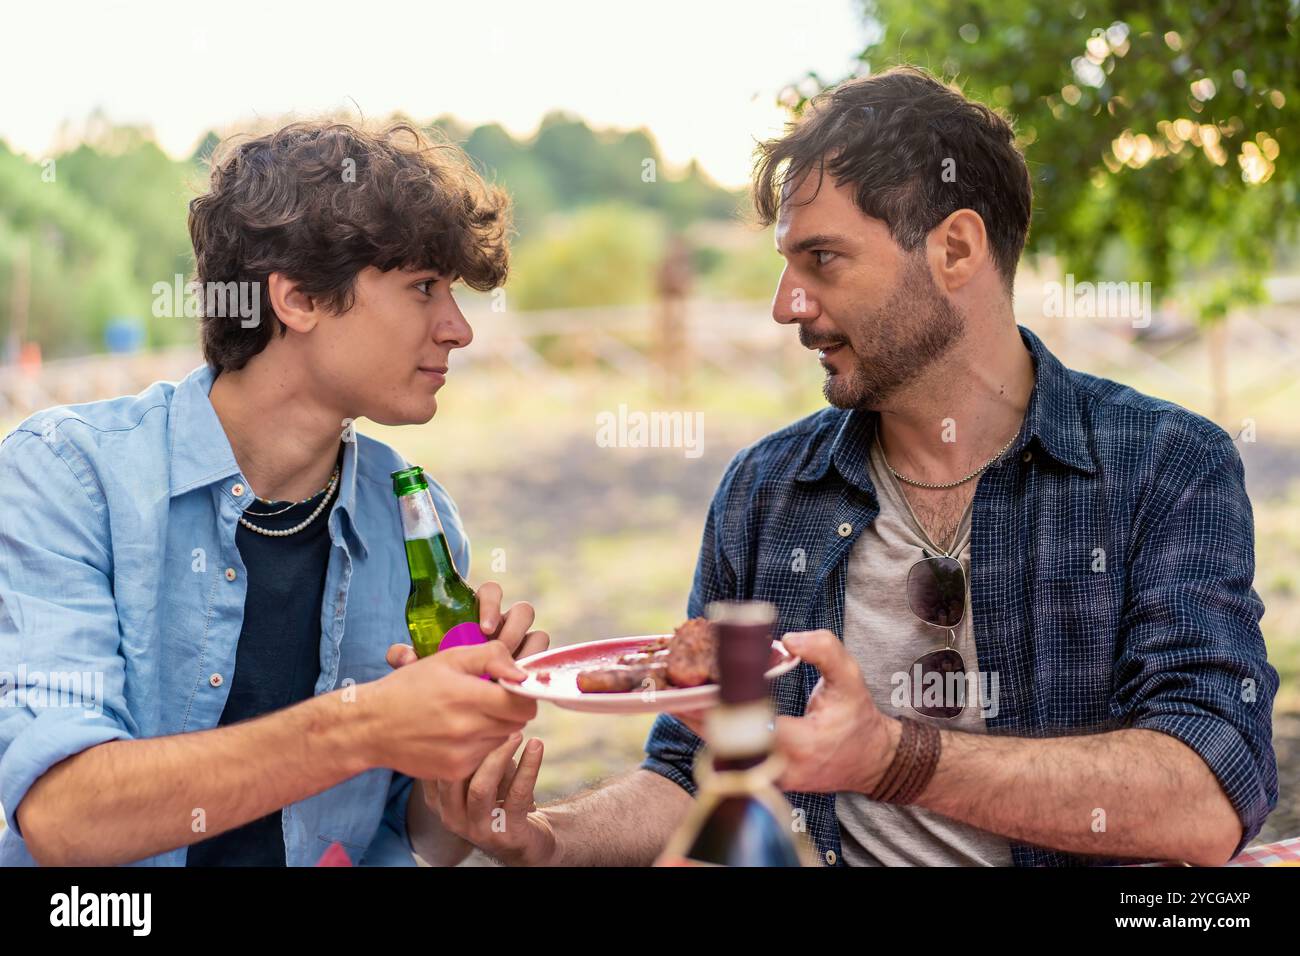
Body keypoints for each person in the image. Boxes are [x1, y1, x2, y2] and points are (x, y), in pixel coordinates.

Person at [438, 66, 1278, 867]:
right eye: (783, 264)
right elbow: (691, 770)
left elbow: (1206, 794)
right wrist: (543, 839)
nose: (785, 305)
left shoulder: (1165, 466)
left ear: (955, 250)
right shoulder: (767, 491)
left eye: (822, 260)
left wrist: (890, 758)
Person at [0, 121, 543, 866]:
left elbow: (412, 838)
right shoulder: (68, 475)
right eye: (424, 288)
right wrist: (367, 724)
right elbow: (66, 816)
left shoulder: (418, 518)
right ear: (297, 299)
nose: (458, 329)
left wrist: (460, 759)